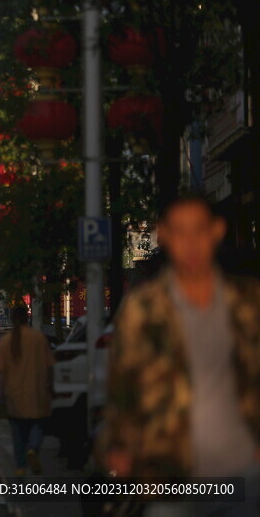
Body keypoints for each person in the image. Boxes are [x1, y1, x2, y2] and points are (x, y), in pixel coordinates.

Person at [97, 195, 260, 515]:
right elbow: (124, 389)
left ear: (216, 231)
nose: (191, 243)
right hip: (168, 474)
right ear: (165, 235)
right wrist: (121, 448)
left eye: (198, 230)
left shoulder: (248, 302)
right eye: (180, 232)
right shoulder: (143, 308)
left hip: (245, 472)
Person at [0, 304, 54, 476]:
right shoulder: (38, 338)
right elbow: (50, 367)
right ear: (27, 318)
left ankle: (20, 466)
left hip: (15, 394)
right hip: (37, 391)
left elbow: (0, 372)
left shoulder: (7, 341)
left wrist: (0, 392)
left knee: (18, 432)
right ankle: (33, 449)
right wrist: (51, 386)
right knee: (38, 424)